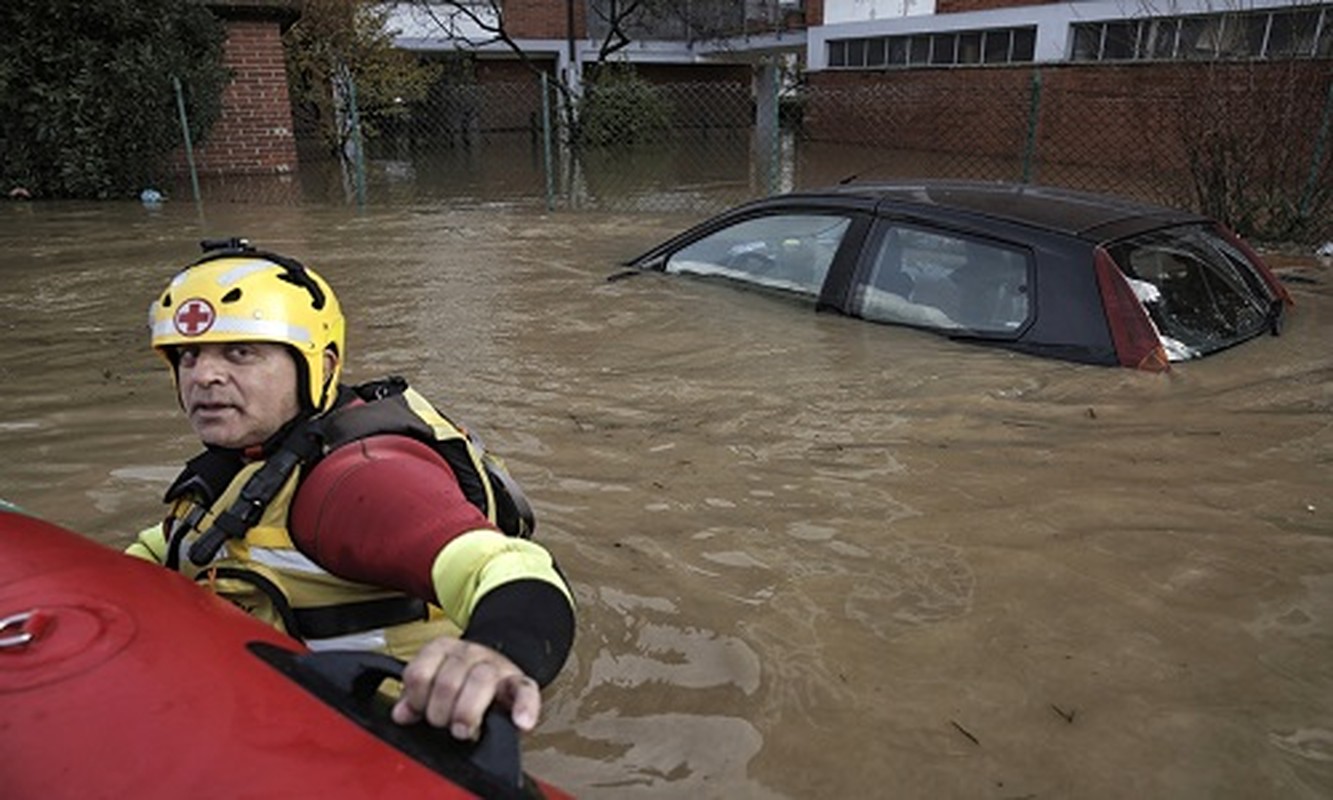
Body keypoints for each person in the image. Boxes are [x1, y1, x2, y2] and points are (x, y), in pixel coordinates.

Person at [126, 239, 575, 742]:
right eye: (187, 356)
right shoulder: (245, 460)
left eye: (240, 352)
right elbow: (171, 546)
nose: (203, 375)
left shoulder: (358, 481)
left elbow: (509, 568)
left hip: (387, 740)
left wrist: (496, 653)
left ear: (319, 364)